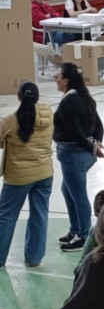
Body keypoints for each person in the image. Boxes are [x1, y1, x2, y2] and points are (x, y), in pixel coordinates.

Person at [0, 82, 53, 268]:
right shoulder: (48, 114)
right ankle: (34, 258)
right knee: (40, 214)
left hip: (18, 176)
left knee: (6, 215)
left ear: (19, 97)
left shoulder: (9, 120)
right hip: (44, 173)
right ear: (37, 97)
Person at [52, 63, 104, 252]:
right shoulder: (85, 97)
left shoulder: (68, 102)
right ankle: (75, 229)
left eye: (57, 77)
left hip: (74, 154)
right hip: (84, 153)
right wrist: (97, 143)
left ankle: (83, 236)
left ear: (66, 80)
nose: (55, 80)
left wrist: (93, 148)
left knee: (78, 195)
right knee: (67, 191)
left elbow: (75, 133)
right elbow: (99, 125)